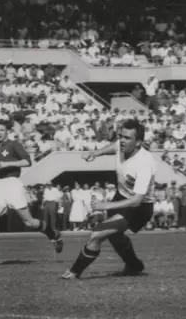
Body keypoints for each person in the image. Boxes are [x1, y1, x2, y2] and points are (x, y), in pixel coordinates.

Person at [61, 119, 156, 279]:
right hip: (122, 196)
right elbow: (114, 147)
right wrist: (96, 153)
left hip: (139, 207)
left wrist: (104, 205)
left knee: (98, 233)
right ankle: (134, 266)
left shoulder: (145, 163)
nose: (122, 141)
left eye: (127, 138)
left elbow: (137, 200)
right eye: (121, 136)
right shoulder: (121, 145)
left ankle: (74, 272)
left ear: (139, 142)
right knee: (115, 236)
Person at [0, 120, 63, 265]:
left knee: (29, 222)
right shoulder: (0, 147)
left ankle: (54, 234)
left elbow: (28, 161)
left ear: (7, 131)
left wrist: (8, 164)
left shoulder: (14, 144)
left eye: (2, 129)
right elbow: (3, 168)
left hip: (13, 185)